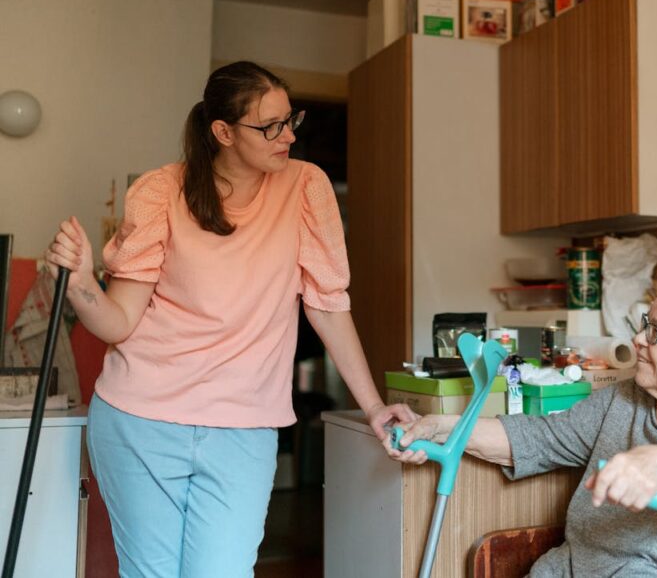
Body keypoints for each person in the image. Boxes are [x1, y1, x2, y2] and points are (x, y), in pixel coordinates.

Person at [45, 61, 414, 577]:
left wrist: (373, 406)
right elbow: (119, 322)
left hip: (244, 428)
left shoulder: (306, 186)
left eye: (291, 121)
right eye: (270, 127)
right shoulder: (160, 192)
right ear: (223, 132)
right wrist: (84, 284)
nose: (287, 136)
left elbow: (328, 304)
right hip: (141, 419)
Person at [386, 280, 657, 577]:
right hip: (572, 569)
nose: (637, 339)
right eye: (643, 324)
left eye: (655, 331)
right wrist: (444, 428)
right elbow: (536, 438)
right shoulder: (625, 399)